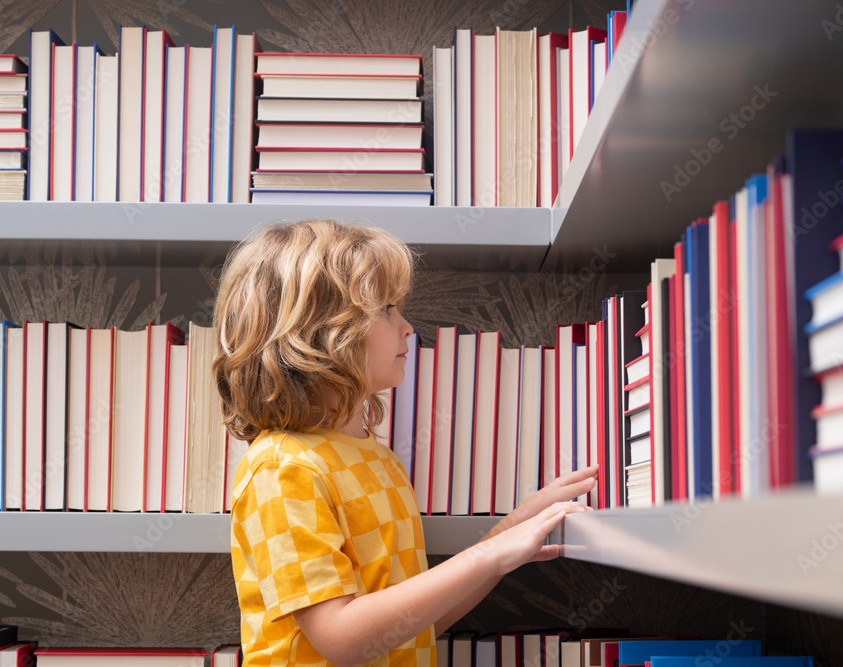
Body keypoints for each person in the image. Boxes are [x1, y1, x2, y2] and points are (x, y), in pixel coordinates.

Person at [215, 219, 598, 667]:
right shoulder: (284, 469)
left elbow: (413, 624)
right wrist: (490, 553)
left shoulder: (377, 459)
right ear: (318, 331)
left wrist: (509, 531)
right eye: (386, 309)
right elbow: (343, 638)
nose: (407, 327)